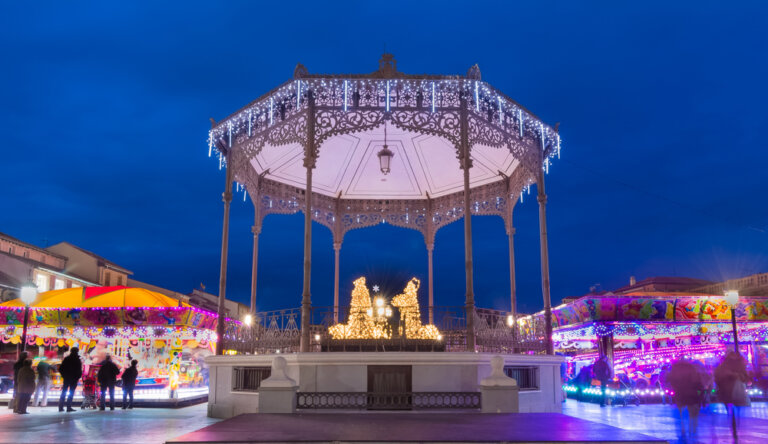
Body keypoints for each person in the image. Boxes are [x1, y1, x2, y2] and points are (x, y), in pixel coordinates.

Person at [715, 351, 750, 440]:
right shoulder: (739, 365)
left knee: (731, 410)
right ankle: (736, 427)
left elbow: (717, 378)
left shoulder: (722, 366)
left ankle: (733, 427)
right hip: (736, 391)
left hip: (726, 391)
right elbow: (745, 377)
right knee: (737, 410)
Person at [666, 359, 705, 438]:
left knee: (681, 413)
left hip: (680, 394)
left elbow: (669, 379)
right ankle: (693, 429)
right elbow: (697, 381)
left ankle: (683, 428)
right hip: (692, 394)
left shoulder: (675, 370)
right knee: (693, 413)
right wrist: (701, 391)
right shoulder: (691, 369)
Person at [58, 347, 82, 412]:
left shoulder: (67, 359)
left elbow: (61, 369)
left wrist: (64, 375)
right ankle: (68, 407)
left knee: (64, 392)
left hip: (67, 378)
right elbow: (79, 370)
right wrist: (77, 377)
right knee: (71, 392)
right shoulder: (77, 360)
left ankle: (60, 407)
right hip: (74, 379)